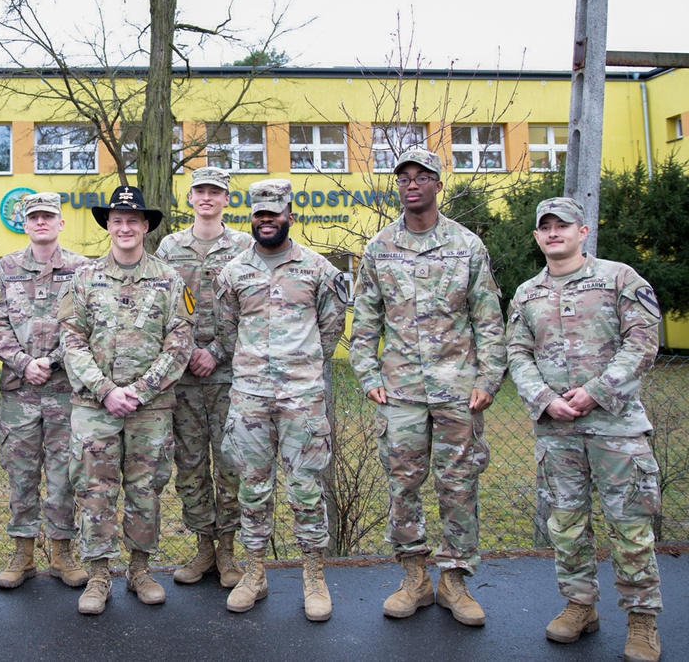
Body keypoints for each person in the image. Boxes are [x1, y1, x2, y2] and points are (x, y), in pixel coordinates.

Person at [349, 149, 506, 627]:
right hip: (400, 391)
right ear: (397, 187)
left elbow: (488, 319)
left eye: (422, 177)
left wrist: (488, 378)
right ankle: (414, 576)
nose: (412, 184)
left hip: (458, 389)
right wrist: (368, 375)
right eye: (404, 178)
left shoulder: (466, 245)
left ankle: (454, 580)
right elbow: (365, 321)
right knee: (403, 484)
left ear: (439, 184)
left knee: (458, 484)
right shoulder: (380, 247)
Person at [507, 197, 663, 662]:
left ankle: (642, 620)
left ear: (583, 230)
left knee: (630, 525)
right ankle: (580, 605)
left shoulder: (619, 278)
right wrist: (544, 400)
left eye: (563, 225)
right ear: (537, 237)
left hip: (616, 427)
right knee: (567, 524)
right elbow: (517, 352)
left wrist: (596, 390)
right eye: (546, 227)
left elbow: (643, 342)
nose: (554, 233)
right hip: (557, 433)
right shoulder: (526, 293)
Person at [57, 185, 194, 615]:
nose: (125, 227)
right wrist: (107, 390)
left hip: (150, 408)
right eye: (117, 220)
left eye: (133, 220)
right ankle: (98, 575)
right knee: (94, 490)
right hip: (95, 407)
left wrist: (139, 390)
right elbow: (71, 340)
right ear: (108, 226)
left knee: (145, 490)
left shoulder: (170, 279)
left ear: (146, 226)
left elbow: (180, 342)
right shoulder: (84, 279)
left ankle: (139, 570)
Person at [215, 179, 346, 622]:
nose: (267, 221)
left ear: (290, 214)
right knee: (253, 488)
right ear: (251, 218)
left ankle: (314, 576)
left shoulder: (317, 269)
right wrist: (256, 367)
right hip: (250, 396)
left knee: (306, 489)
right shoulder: (233, 272)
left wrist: (299, 367)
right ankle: (254, 573)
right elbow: (225, 328)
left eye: (275, 213)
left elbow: (330, 329)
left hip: (302, 399)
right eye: (259, 215)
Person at [154, 167, 251, 589]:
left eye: (216, 191)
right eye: (200, 191)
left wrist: (216, 352)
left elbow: (253, 310)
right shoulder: (169, 246)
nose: (207, 197)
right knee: (190, 465)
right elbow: (162, 307)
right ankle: (203, 548)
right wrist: (188, 352)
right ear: (190, 197)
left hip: (230, 375)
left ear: (227, 199)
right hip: (184, 377)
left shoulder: (245, 246)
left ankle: (228, 551)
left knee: (230, 464)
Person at [0, 193, 88, 589]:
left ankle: (62, 553)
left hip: (66, 390)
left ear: (61, 223)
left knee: (65, 474)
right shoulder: (6, 268)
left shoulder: (82, 268)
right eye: (35, 218)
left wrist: (55, 360)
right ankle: (23, 553)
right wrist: (23, 362)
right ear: (25, 224)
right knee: (21, 474)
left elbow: (86, 322)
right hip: (20, 391)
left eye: (49, 216)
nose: (42, 223)